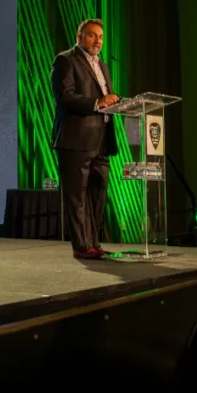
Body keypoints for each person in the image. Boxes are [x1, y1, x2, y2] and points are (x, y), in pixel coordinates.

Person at [51, 19, 120, 259]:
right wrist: (97, 103)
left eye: (100, 37)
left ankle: (94, 243)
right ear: (79, 37)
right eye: (92, 35)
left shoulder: (103, 65)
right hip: (76, 139)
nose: (97, 41)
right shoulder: (66, 60)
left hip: (102, 138)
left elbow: (106, 98)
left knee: (98, 192)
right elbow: (64, 96)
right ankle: (81, 247)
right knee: (77, 196)